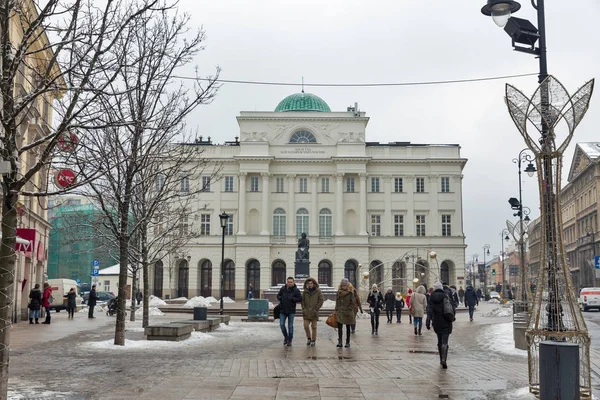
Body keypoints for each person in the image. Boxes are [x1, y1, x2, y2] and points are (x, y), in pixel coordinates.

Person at [426, 282, 454, 369]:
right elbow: (452, 307)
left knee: (439, 340)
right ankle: (444, 359)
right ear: (441, 288)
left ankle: (441, 358)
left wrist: (428, 320)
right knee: (445, 342)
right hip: (446, 321)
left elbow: (429, 310)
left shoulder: (431, 298)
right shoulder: (446, 296)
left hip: (437, 322)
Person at [277, 277, 302, 346]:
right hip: (282, 310)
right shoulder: (283, 289)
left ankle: (290, 340)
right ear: (287, 282)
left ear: (293, 282)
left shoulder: (296, 290)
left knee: (290, 326)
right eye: (288, 282)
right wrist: (280, 298)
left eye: (291, 282)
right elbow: (278, 295)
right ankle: (286, 337)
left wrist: (293, 299)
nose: (289, 283)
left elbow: (300, 298)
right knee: (282, 325)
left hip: (291, 311)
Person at [301, 277, 324, 347]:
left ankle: (313, 340)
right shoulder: (305, 291)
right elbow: (302, 300)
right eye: (308, 283)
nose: (310, 284)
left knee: (314, 327)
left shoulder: (318, 291)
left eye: (311, 283)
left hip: (314, 312)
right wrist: (304, 308)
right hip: (306, 312)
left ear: (314, 284)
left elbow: (321, 300)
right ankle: (308, 338)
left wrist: (316, 308)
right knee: (305, 325)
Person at [334, 278, 356, 348]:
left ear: (347, 286)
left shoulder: (350, 293)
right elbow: (337, 302)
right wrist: (336, 309)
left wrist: (349, 309)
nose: (344, 287)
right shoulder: (339, 292)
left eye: (345, 285)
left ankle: (347, 342)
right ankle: (340, 342)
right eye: (343, 285)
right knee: (340, 327)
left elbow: (353, 303)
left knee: (348, 328)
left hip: (348, 312)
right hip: (340, 312)